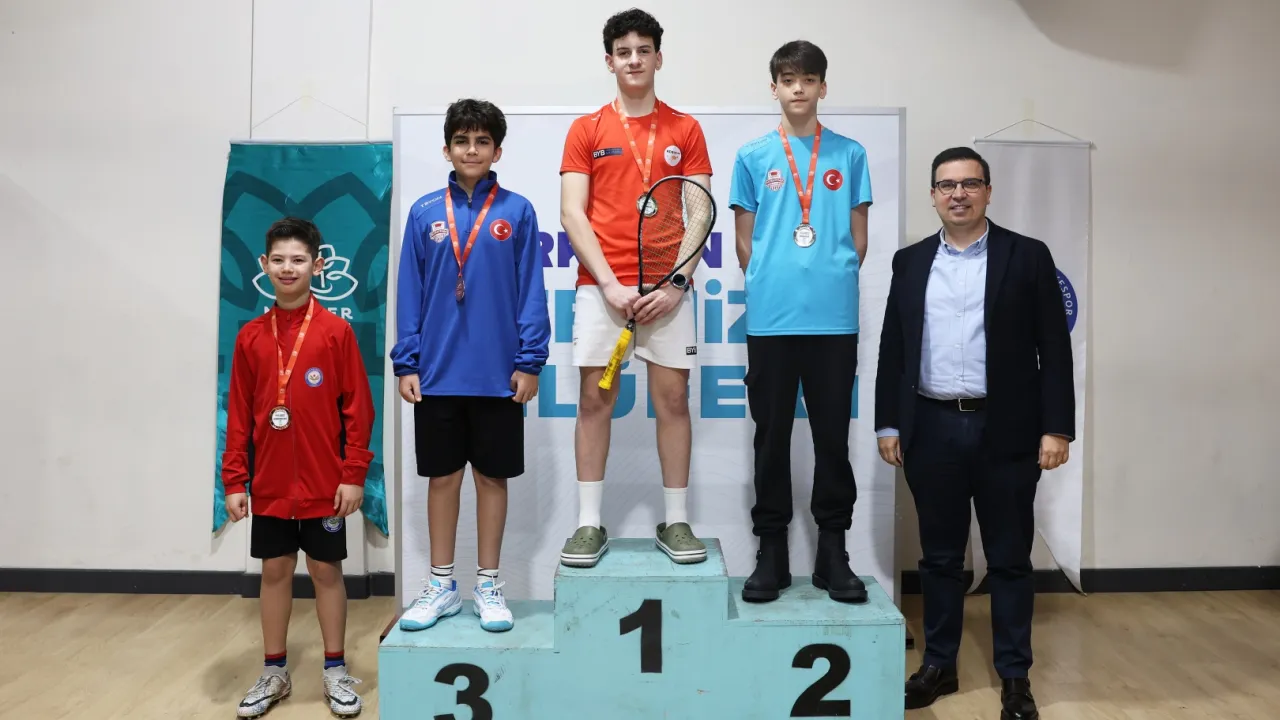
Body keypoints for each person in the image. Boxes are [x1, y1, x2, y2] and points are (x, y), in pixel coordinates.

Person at [875, 146, 1074, 720]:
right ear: (933, 195)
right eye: (946, 185)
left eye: (969, 183)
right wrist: (889, 422)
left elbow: (1053, 348)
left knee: (1009, 558)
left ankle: (1015, 676)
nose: (957, 194)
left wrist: (1057, 428)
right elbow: (894, 348)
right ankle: (939, 665)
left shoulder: (1027, 255)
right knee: (939, 558)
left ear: (988, 191)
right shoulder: (910, 262)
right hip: (931, 427)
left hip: (1006, 429)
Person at [557, 8, 713, 567]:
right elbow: (573, 213)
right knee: (594, 401)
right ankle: (587, 524)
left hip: (668, 290)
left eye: (643, 50)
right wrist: (609, 284)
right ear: (610, 61)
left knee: (672, 401)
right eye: (623, 52)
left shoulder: (685, 129)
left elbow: (699, 212)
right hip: (602, 290)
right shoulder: (587, 129)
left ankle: (676, 520)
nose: (634, 60)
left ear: (658, 58)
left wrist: (676, 283)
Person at [391, 99, 550, 634]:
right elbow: (409, 293)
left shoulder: (517, 212)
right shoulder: (424, 213)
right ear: (447, 149)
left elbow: (531, 291)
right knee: (442, 478)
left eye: (483, 141)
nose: (472, 150)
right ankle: (441, 585)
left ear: (497, 151)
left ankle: (488, 584)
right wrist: (407, 361)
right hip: (436, 373)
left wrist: (530, 360)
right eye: (462, 141)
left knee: (491, 478)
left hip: (499, 375)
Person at [728, 40, 873, 604]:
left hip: (833, 321)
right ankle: (773, 553)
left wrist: (826, 274)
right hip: (771, 320)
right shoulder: (752, 156)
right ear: (774, 88)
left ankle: (833, 553)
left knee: (832, 437)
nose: (798, 88)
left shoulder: (849, 154)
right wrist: (774, 278)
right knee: (771, 438)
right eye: (788, 79)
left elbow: (858, 238)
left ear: (822, 87)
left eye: (808, 79)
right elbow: (745, 242)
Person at [222, 217, 374, 718]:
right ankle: (274, 671)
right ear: (263, 265)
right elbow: (238, 414)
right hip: (269, 484)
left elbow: (358, 410)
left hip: (325, 484)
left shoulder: (335, 332)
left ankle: (335, 669)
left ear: (318, 266)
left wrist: (352, 474)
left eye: (299, 259)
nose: (288, 268)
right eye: (279, 260)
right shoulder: (250, 337)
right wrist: (235, 480)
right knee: (274, 570)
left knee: (327, 571)